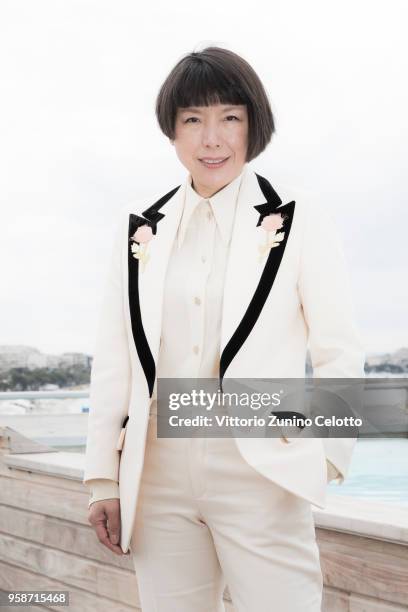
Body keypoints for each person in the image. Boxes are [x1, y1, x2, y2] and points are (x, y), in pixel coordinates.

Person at [83, 46, 365, 611]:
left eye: (229, 118)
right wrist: (103, 481)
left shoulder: (297, 216)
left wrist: (325, 454)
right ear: (173, 131)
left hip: (261, 472)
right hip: (156, 477)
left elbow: (338, 348)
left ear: (252, 124)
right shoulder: (139, 227)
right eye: (193, 120)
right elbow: (114, 357)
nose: (211, 138)